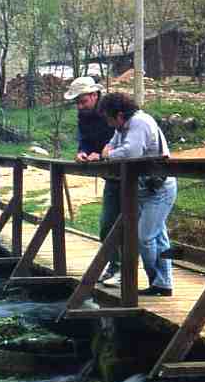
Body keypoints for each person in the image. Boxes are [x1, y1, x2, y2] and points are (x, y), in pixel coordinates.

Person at [98, 92, 177, 296]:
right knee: (157, 235)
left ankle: (158, 281)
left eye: (108, 117)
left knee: (145, 236)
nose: (107, 123)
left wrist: (107, 155)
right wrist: (107, 153)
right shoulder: (123, 127)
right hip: (146, 187)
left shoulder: (139, 123)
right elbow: (111, 146)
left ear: (120, 114)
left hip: (159, 187)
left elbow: (130, 152)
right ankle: (162, 283)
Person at [63, 76, 120, 285]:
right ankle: (115, 268)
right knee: (107, 225)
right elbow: (85, 140)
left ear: (95, 95)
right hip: (112, 176)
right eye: (76, 102)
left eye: (82, 101)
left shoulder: (112, 111)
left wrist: (104, 154)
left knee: (142, 230)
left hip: (130, 173)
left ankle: (156, 279)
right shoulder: (84, 116)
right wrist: (83, 153)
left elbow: (121, 139)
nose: (79, 106)